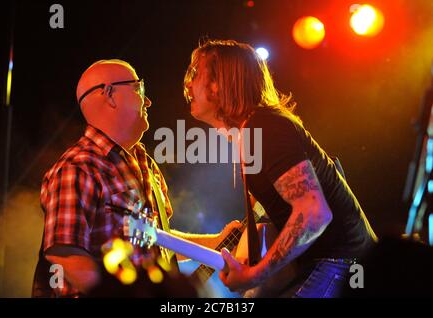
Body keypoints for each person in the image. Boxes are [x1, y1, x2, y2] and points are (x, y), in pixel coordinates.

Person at [183, 39, 378, 298]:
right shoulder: (252, 133)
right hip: (331, 264)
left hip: (341, 263)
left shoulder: (264, 128)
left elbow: (313, 214)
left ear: (220, 83)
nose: (187, 82)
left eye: (196, 72)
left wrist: (256, 274)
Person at [32, 59, 232, 297]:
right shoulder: (78, 167)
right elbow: (64, 253)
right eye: (139, 89)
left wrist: (217, 242)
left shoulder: (144, 162)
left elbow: (156, 242)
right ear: (109, 95)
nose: (148, 100)